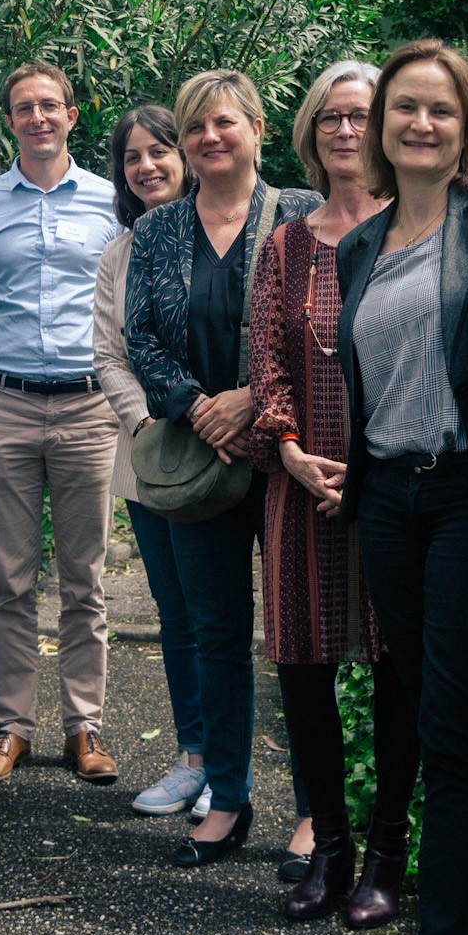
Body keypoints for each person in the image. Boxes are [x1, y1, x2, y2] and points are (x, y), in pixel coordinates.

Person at [330, 41, 468, 935]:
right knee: (437, 720)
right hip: (389, 504)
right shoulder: (359, 245)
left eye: (441, 109)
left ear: (467, 123)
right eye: (404, 106)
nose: (420, 123)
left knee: (451, 731)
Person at [125, 70, 322, 867]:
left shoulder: (302, 213)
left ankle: (314, 811)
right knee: (216, 632)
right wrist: (198, 405)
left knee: (300, 637)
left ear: (258, 129)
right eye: (195, 126)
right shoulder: (158, 230)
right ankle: (230, 798)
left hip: (284, 457)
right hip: (198, 457)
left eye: (224, 122)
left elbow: (321, 331)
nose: (210, 137)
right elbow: (140, 336)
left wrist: (252, 402)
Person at [248, 59, 421, 925]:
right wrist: (288, 449)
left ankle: (387, 855)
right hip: (299, 483)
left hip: (394, 485)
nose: (346, 131)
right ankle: (330, 847)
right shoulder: (285, 244)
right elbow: (266, 362)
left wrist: (371, 462)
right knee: (303, 665)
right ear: (310, 134)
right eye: (330, 118)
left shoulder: (415, 229)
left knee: (398, 665)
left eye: (360, 115)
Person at [0, 63, 124, 786]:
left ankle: (84, 726)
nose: (38, 117)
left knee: (85, 577)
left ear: (71, 115)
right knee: (11, 578)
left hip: (89, 404)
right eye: (24, 107)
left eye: (50, 105)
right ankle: (13, 727)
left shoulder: (110, 200)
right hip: (6, 400)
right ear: (9, 120)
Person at [91, 105, 209, 817]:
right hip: (149, 455)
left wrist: (212, 416)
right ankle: (193, 757)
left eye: (159, 151)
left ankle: (229, 763)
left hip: (227, 448)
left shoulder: (228, 232)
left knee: (220, 612)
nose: (146, 166)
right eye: (132, 157)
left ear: (185, 157)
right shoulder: (119, 253)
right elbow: (109, 354)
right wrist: (150, 424)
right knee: (175, 611)